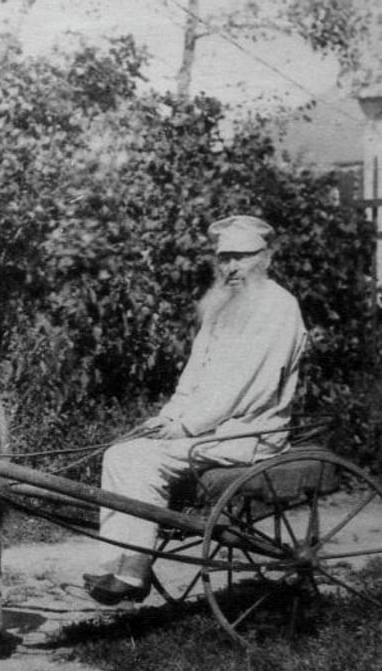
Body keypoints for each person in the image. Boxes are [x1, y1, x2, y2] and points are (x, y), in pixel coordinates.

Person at [83, 214, 308, 606]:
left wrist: (187, 426)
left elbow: (243, 388)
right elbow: (193, 376)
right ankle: (117, 563)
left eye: (243, 256)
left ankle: (133, 573)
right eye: (224, 258)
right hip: (212, 428)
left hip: (249, 432)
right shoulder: (223, 307)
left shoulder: (278, 307)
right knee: (120, 452)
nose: (231, 267)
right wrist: (170, 417)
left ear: (266, 257)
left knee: (140, 462)